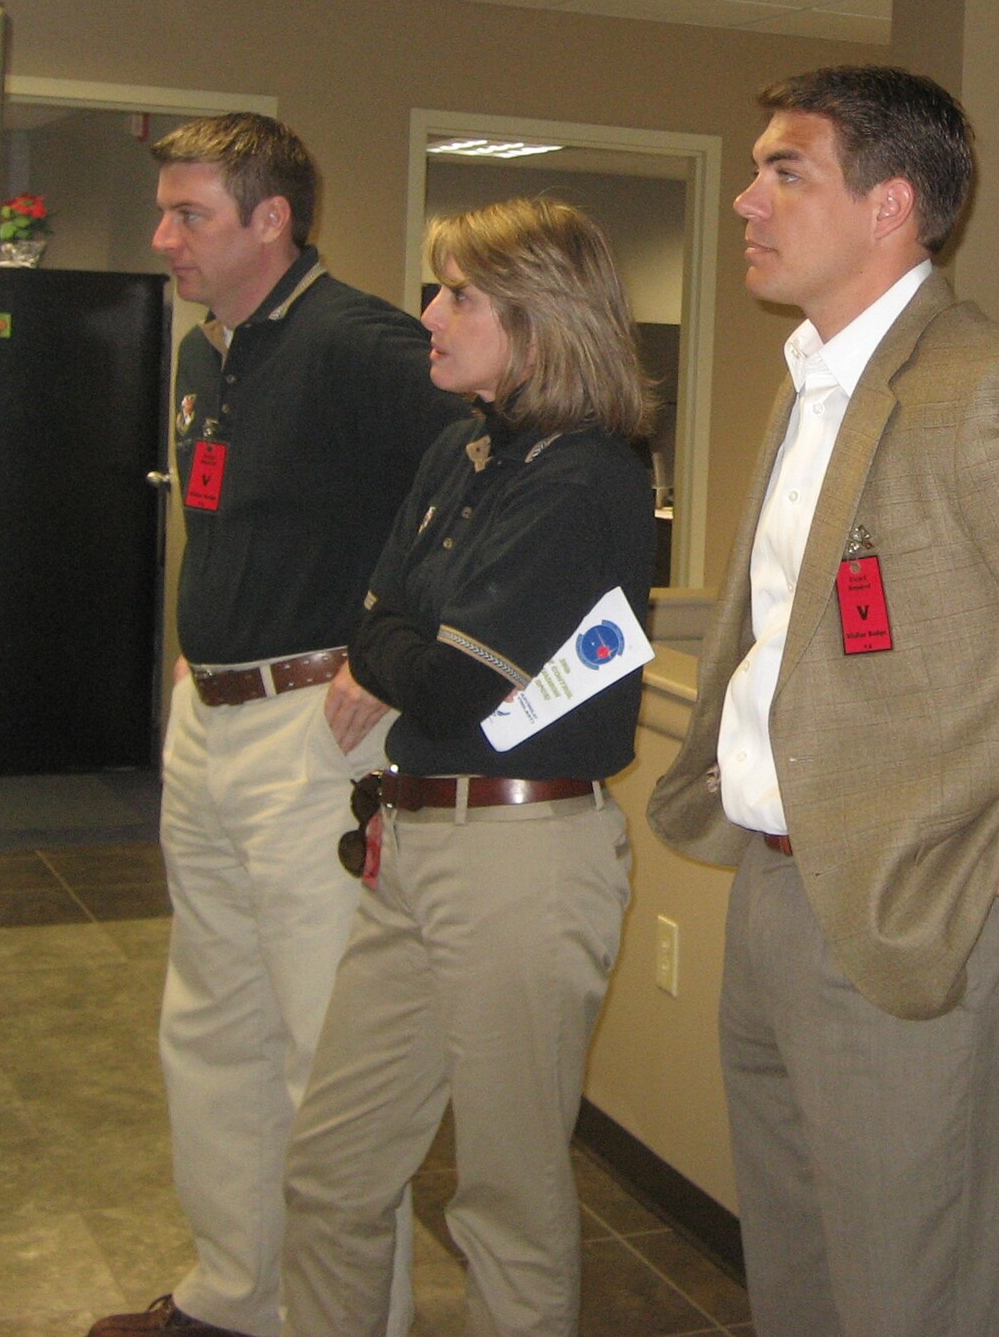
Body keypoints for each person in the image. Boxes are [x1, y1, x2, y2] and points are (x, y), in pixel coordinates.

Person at [647, 65, 999, 1337]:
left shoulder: (983, 392)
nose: (745, 199)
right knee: (797, 1282)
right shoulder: (817, 382)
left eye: (783, 171)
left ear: (891, 203)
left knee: (915, 1301)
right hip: (779, 889)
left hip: (919, 919)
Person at [89, 114, 464, 1337]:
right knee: (210, 1020)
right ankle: (236, 1292)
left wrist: (401, 655)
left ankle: (347, 1320)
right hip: (210, 720)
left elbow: (495, 481)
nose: (163, 238)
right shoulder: (215, 354)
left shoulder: (366, 347)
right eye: (164, 211)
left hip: (317, 729)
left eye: (187, 214)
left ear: (271, 220)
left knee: (324, 1052)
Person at [279, 197, 656, 1337]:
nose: (429, 314)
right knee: (331, 1173)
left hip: (521, 860)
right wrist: (389, 643)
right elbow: (382, 615)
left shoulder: (584, 478)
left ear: (537, 322)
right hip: (412, 840)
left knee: (507, 1203)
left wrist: (385, 646)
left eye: (457, 295)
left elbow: (440, 677)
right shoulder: (465, 447)